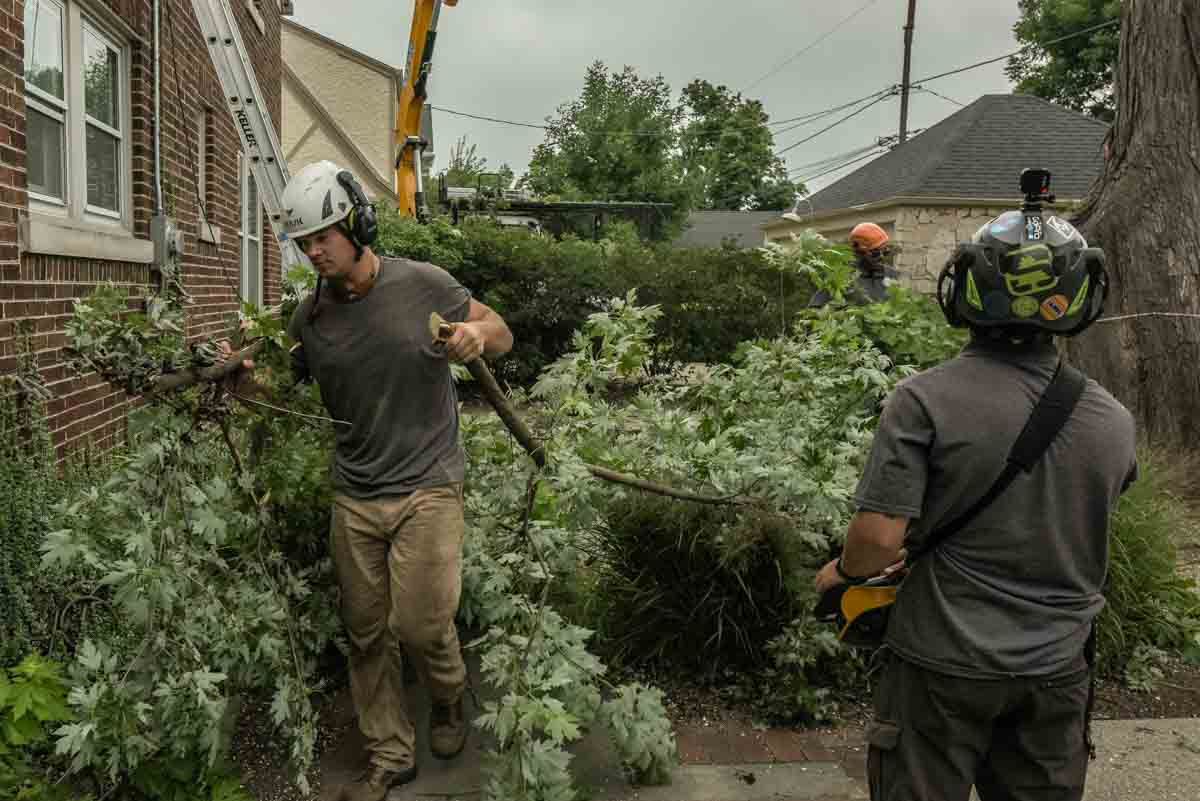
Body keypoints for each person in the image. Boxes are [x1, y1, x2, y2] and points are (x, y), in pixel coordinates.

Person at [814, 196, 1137, 801]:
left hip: (939, 664)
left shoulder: (922, 400)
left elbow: (878, 541)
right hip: (1056, 669)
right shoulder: (1113, 419)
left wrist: (841, 572)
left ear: (965, 286)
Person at [226, 160, 513, 801]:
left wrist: (473, 335)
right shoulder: (311, 319)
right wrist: (239, 379)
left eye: (324, 234)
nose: (315, 250)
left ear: (357, 222)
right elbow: (279, 384)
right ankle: (389, 753)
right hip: (355, 494)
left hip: (429, 484)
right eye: (304, 241)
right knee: (365, 632)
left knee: (422, 625)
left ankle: (445, 699)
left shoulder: (424, 284)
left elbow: (502, 332)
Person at [808, 221, 900, 308]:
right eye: (875, 253)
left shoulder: (891, 275)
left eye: (885, 252)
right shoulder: (842, 278)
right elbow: (814, 311)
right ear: (859, 252)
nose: (881, 256)